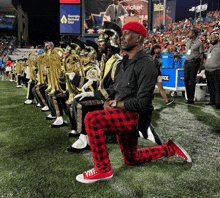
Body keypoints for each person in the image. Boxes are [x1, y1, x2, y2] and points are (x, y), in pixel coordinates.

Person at [75, 21, 192, 184]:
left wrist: (116, 104)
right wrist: (106, 99)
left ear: (138, 38)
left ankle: (103, 169)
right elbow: (117, 88)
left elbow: (143, 103)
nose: (122, 37)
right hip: (124, 112)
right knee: (132, 158)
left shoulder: (146, 64)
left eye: (126, 33)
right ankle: (169, 148)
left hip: (136, 116)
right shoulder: (124, 62)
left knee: (92, 119)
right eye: (122, 33)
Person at [183, 29, 204, 104]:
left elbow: (202, 55)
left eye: (190, 33)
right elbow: (187, 53)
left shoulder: (199, 42)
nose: (189, 34)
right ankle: (189, 97)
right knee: (185, 79)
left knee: (192, 80)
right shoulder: (188, 42)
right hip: (187, 62)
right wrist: (184, 63)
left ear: (194, 34)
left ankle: (191, 99)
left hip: (194, 62)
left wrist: (200, 66)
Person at [204, 34, 220, 109]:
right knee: (210, 87)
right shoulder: (211, 47)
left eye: (214, 38)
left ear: (218, 38)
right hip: (208, 70)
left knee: (217, 87)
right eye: (211, 38)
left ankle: (218, 103)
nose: (212, 39)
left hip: (217, 70)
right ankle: (212, 101)